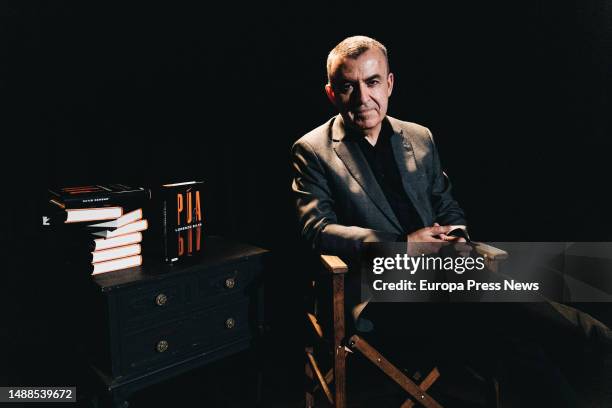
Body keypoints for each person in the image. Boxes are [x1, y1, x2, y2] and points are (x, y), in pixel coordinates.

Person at [291, 35, 611, 406]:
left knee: (510, 336)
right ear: (332, 93)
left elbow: (448, 206)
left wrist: (456, 236)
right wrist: (405, 246)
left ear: (389, 83)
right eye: (349, 87)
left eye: (373, 82)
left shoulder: (419, 137)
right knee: (496, 303)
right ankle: (596, 339)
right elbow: (317, 230)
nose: (363, 98)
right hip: (380, 295)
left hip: (450, 280)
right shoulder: (312, 150)